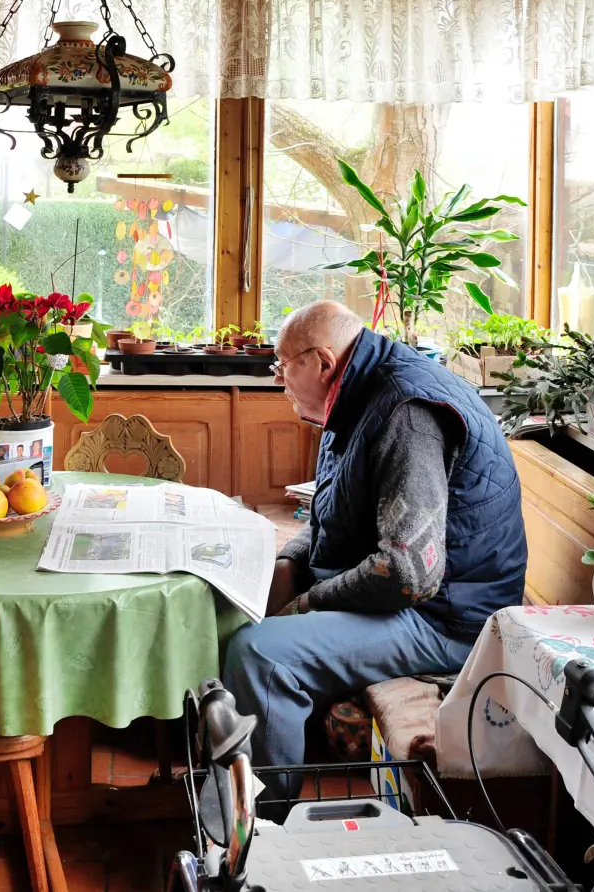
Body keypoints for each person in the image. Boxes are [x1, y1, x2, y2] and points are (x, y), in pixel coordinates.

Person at [223, 301, 527, 783]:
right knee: (228, 603)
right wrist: (288, 563)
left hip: (446, 618)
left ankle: (267, 824)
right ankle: (225, 779)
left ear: (322, 362)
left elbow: (409, 574)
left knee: (260, 656)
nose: (279, 379)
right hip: (411, 599)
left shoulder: (406, 413)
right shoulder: (355, 393)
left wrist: (305, 603)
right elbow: (332, 514)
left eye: (282, 366)